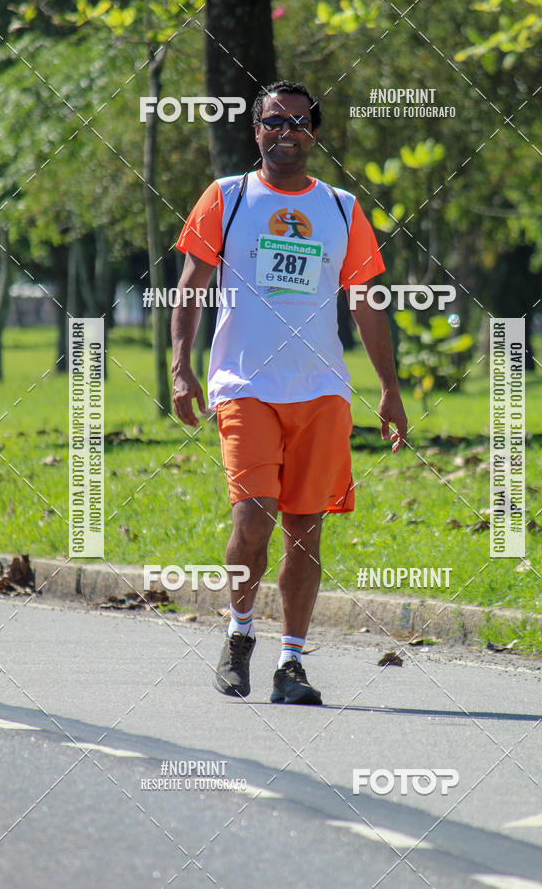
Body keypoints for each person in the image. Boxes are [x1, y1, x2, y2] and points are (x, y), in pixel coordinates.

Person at [171, 80, 407, 706]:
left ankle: (292, 663)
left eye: (298, 123)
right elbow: (191, 285)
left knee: (305, 531)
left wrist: (389, 389)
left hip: (322, 388)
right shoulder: (226, 197)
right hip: (245, 385)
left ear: (314, 132)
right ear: (256, 131)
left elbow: (367, 302)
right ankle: (240, 630)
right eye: (273, 122)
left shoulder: (341, 209)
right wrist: (180, 367)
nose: (285, 132)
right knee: (253, 518)